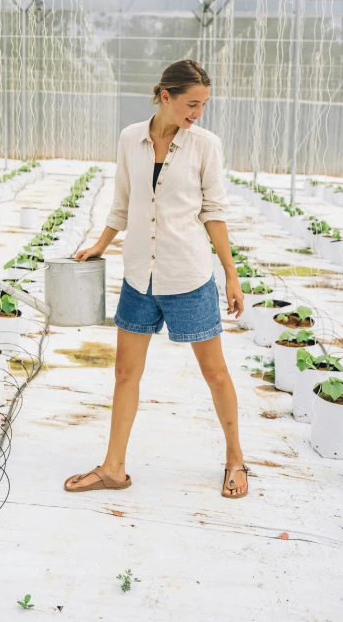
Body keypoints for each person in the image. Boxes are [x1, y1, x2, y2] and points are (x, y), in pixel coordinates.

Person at [64, 59, 248, 498]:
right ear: (165, 96)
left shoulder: (205, 145)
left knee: (215, 373)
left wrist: (231, 274)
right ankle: (113, 468)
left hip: (187, 275)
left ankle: (236, 459)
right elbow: (122, 204)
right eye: (191, 104)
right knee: (126, 372)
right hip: (138, 277)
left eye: (204, 105)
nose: (197, 113)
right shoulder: (131, 139)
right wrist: (100, 245)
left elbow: (214, 212)